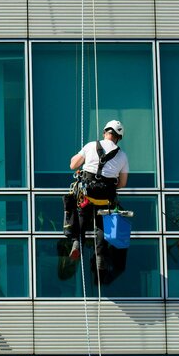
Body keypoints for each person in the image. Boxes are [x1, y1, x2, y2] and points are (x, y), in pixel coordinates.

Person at [64, 120, 130, 282]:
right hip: (105, 198)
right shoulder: (122, 156)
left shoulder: (90, 145)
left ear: (105, 133)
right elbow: (122, 183)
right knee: (101, 224)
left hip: (87, 193)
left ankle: (76, 243)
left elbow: (73, 165)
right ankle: (100, 257)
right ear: (118, 138)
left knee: (78, 210)